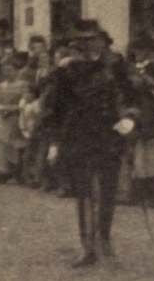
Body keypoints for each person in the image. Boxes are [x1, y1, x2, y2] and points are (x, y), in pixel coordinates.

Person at [41, 20, 135, 266]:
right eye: (83, 40)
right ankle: (87, 246)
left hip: (110, 135)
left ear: (103, 40)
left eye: (93, 39)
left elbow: (133, 97)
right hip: (79, 135)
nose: (89, 44)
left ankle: (103, 238)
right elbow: (55, 108)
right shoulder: (67, 70)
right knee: (83, 191)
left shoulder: (116, 66)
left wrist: (130, 121)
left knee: (107, 189)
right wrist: (54, 141)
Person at [0, 60, 29, 182]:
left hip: (16, 117)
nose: (7, 73)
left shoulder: (23, 85)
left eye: (10, 70)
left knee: (15, 143)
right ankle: (1, 172)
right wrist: (2, 109)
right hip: (1, 117)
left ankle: (17, 171)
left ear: (16, 71)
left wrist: (13, 109)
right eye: (5, 71)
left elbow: (24, 101)